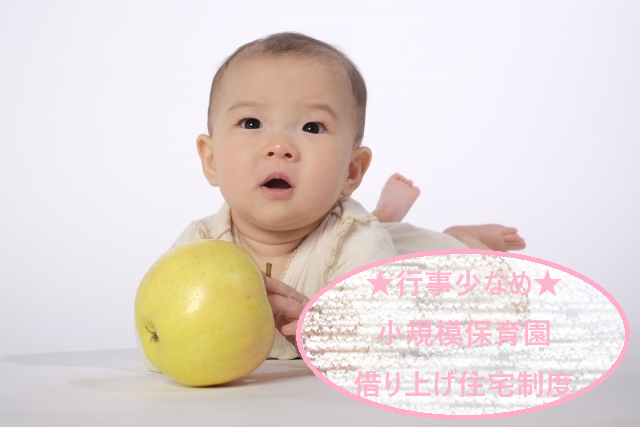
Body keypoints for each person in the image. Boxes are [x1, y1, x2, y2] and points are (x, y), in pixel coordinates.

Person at [137, 32, 526, 369]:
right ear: (211, 161)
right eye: (251, 123)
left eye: (312, 127)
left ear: (351, 172)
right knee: (377, 233)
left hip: (405, 273)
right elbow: (157, 336)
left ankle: (465, 238)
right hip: (359, 244)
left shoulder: (354, 240)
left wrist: (325, 333)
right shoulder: (202, 243)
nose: (279, 146)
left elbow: (386, 344)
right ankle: (386, 215)